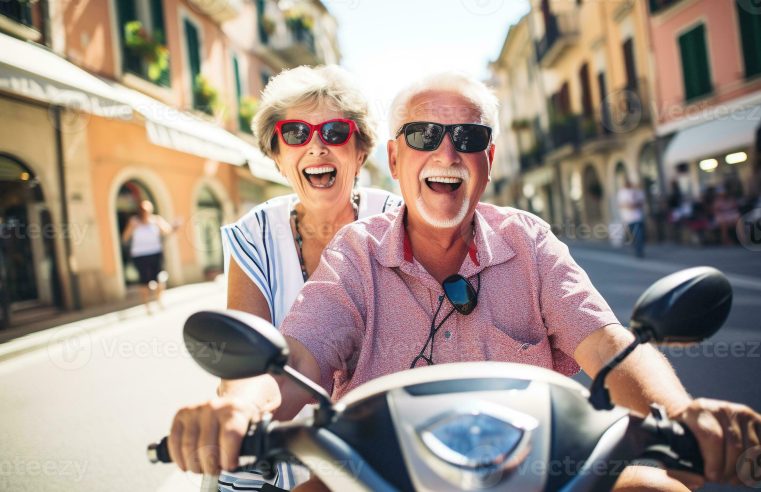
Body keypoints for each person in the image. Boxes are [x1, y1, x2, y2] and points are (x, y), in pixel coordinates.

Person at [169, 73, 761, 491]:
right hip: (378, 478)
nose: (447, 151)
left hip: (542, 475)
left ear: (489, 160)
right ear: (397, 159)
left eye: (468, 139)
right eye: (425, 136)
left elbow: (607, 343)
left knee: (655, 486)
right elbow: (295, 358)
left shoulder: (529, 241)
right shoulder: (356, 252)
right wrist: (237, 408)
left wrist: (684, 415)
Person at [216, 65, 401, 490]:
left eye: (335, 132)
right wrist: (236, 412)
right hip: (283, 446)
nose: (316, 146)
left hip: (382, 448)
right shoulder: (255, 234)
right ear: (278, 157)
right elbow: (245, 362)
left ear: (359, 152)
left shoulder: (397, 221)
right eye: (296, 134)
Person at [121, 200, 177, 313]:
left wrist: (175, 227)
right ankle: (147, 306)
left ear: (151, 210)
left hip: (155, 252)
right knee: (144, 281)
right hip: (140, 255)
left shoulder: (156, 220)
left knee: (160, 278)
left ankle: (159, 301)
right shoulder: (134, 222)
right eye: (142, 210)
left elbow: (168, 231)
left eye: (147, 210)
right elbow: (125, 237)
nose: (145, 212)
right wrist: (132, 228)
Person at [617, 175, 646, 258]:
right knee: (634, 236)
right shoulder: (622, 192)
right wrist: (629, 206)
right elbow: (620, 204)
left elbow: (641, 203)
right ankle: (637, 250)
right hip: (629, 219)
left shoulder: (637, 191)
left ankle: (640, 251)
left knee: (639, 235)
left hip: (638, 217)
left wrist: (633, 205)